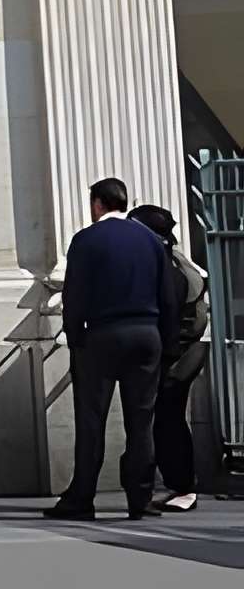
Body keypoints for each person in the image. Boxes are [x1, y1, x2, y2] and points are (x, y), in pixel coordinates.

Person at [52, 176, 169, 521]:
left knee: (91, 420)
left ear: (97, 204)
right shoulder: (151, 240)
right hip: (147, 334)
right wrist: (166, 339)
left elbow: (75, 295)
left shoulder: (87, 240)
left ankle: (82, 497)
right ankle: (140, 497)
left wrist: (74, 338)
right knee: (141, 420)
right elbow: (168, 295)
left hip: (102, 335)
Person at [135, 204, 212, 512]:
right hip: (181, 351)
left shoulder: (170, 266)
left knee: (169, 420)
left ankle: (183, 487)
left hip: (179, 354)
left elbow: (177, 316)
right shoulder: (173, 260)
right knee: (166, 419)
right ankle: (178, 485)